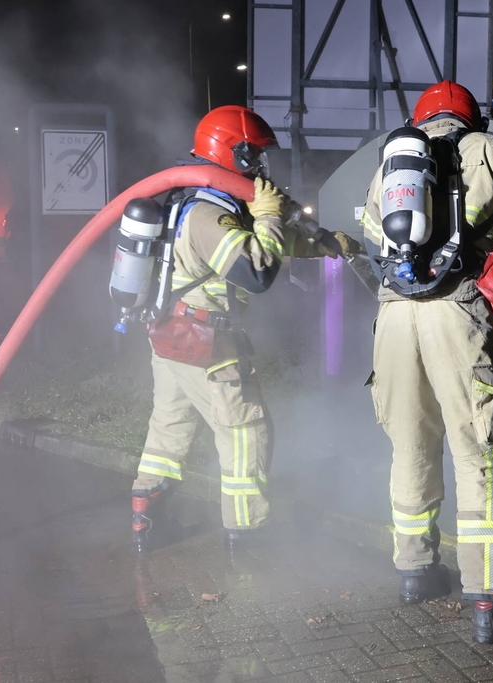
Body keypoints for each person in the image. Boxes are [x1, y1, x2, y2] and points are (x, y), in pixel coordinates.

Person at [359, 81, 493, 644]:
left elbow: (370, 238)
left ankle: (414, 571)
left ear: (421, 121)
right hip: (457, 312)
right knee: (478, 451)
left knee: (411, 442)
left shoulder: (389, 165)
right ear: (469, 118)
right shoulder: (492, 150)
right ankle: (487, 599)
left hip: (396, 318)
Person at [131, 104, 360, 554]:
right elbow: (256, 271)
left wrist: (325, 244)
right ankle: (248, 534)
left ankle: (146, 516)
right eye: (252, 155)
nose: (258, 166)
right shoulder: (206, 216)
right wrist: (271, 214)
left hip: (171, 337)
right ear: (229, 154)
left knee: (169, 427)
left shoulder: (196, 200)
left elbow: (259, 241)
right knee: (244, 430)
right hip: (207, 345)